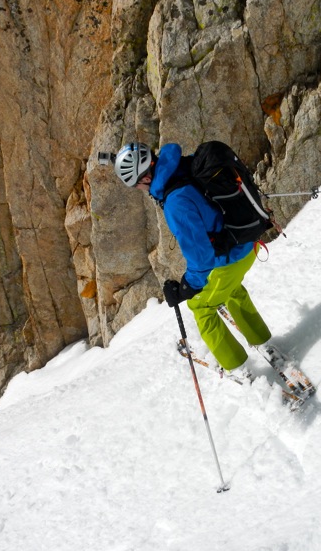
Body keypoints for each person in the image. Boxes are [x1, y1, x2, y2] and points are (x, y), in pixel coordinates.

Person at [113, 141, 286, 377]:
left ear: (144, 178)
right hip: (249, 242)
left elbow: (202, 259)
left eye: (135, 185)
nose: (139, 190)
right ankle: (264, 343)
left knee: (201, 307)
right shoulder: (181, 165)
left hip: (233, 257)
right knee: (231, 289)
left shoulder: (176, 203)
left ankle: (241, 371)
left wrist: (186, 288)